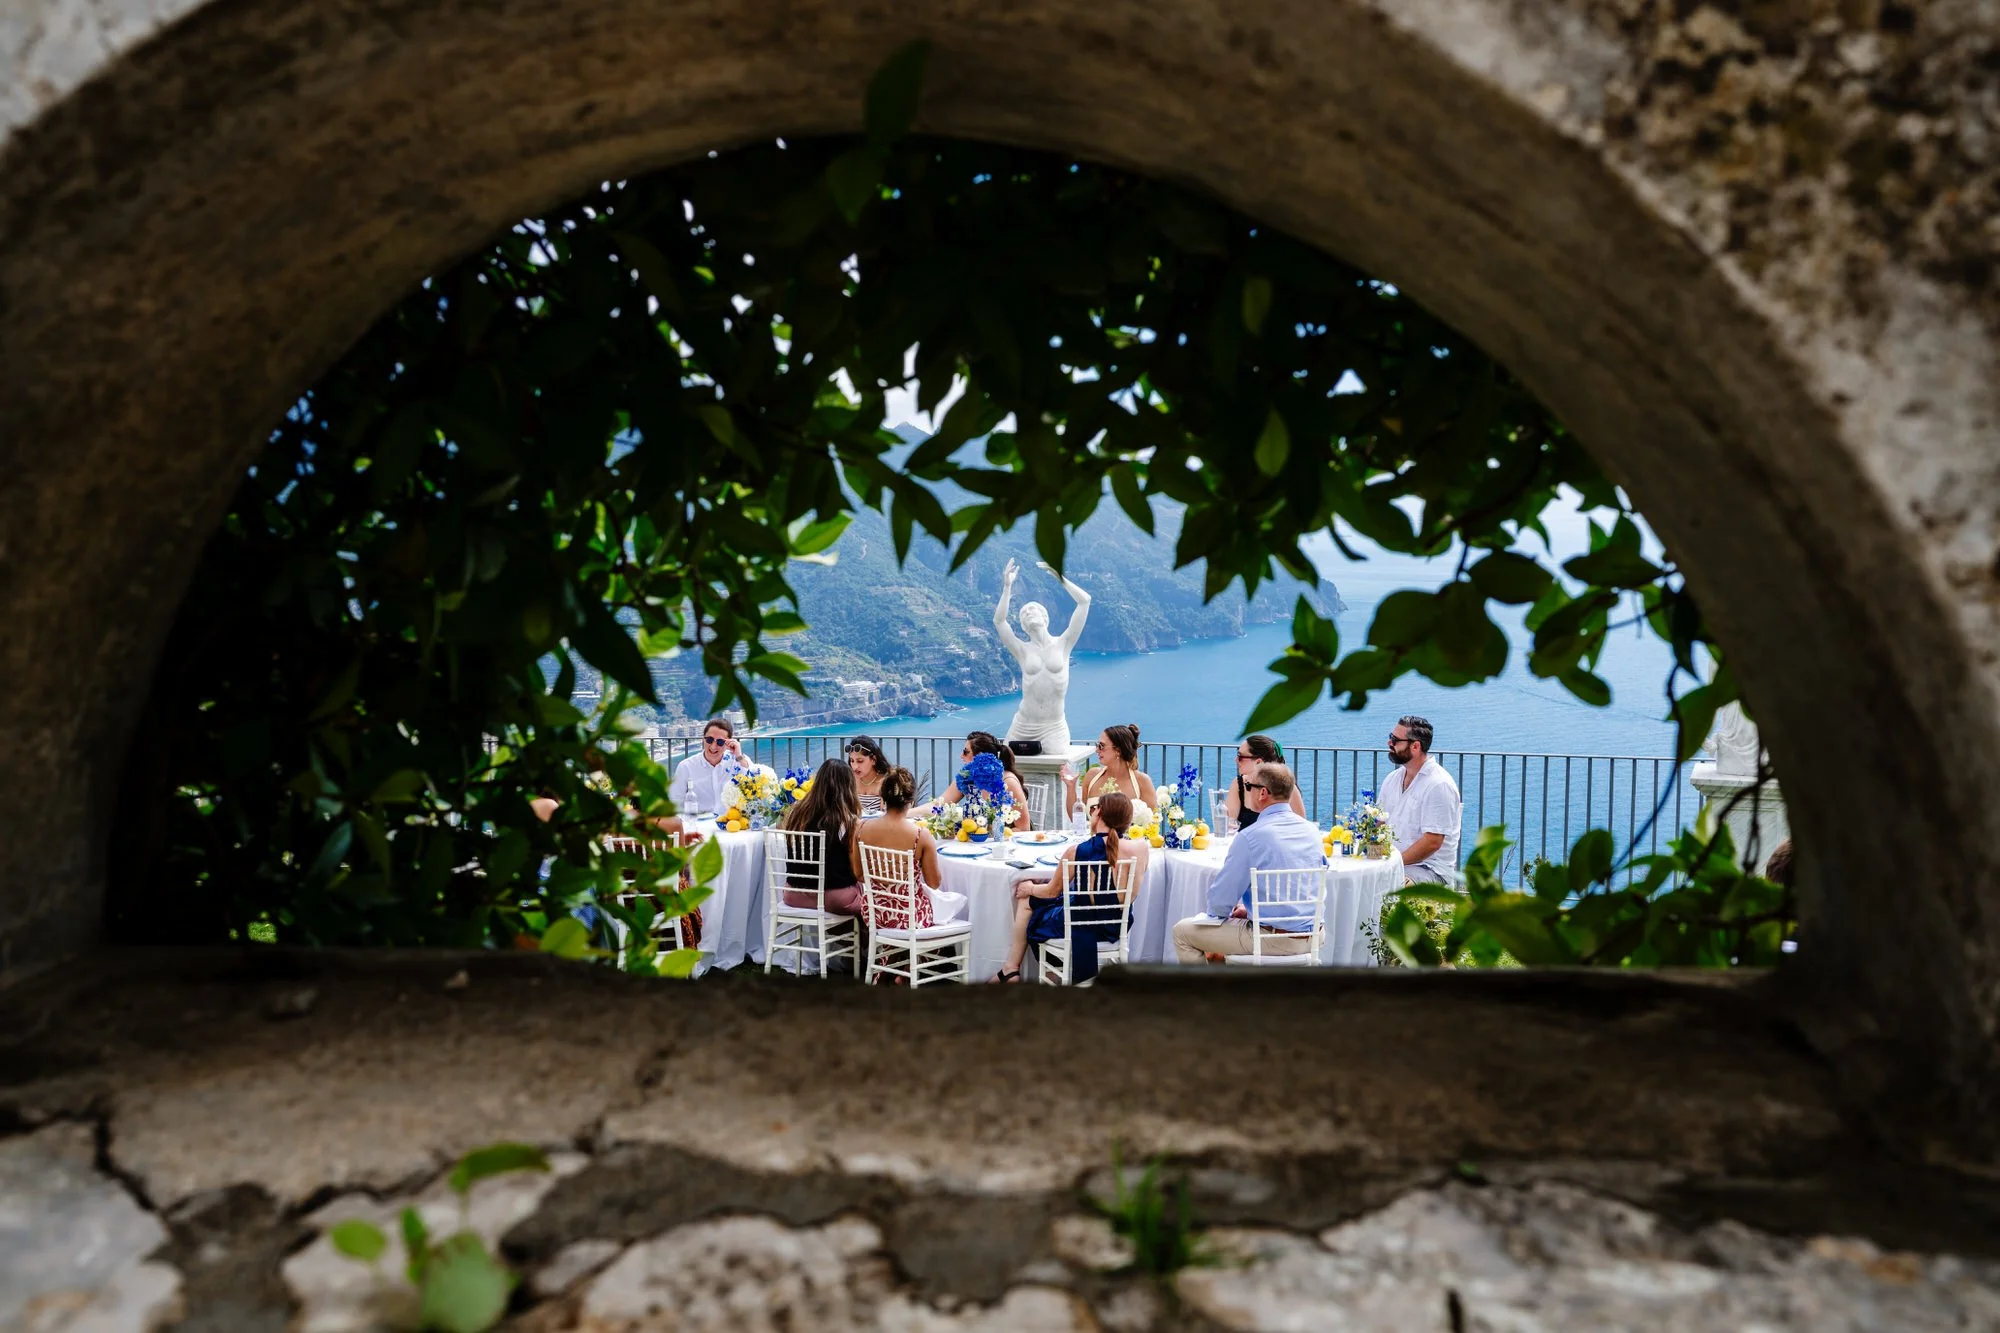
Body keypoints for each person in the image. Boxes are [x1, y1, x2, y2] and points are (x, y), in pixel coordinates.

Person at [1172, 763, 1324, 963]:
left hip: (1270, 939)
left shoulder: (1250, 837)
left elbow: (1219, 904)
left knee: (1182, 932)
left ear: (1262, 793)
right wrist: (1252, 910)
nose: (1246, 791)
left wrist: (1227, 913)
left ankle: (1208, 994)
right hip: (1314, 935)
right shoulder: (1312, 831)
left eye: (1249, 786)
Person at [992, 792, 1147, 983]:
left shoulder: (1077, 851)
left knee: (1029, 902)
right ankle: (1052, 972)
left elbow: (1051, 892)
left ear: (1098, 814)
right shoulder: (1141, 849)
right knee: (1063, 902)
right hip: (1116, 927)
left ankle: (1012, 970)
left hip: (1081, 925)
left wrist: (1030, 888)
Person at [851, 766, 950, 930]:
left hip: (875, 914)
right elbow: (934, 883)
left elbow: (859, 875)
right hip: (909, 917)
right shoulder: (921, 835)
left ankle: (892, 954)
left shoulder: (861, 829)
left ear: (883, 797)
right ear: (911, 800)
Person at [1376, 715, 1462, 883]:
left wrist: (1394, 863)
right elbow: (1379, 821)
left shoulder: (1438, 785)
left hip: (1430, 870)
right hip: (1398, 863)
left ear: (1415, 746)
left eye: (1395, 740)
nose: (1389, 743)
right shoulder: (1393, 779)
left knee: (1382, 885)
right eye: (1390, 737)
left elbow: (1432, 842)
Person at [779, 759, 866, 917]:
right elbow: (856, 870)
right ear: (848, 787)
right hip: (834, 898)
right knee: (872, 901)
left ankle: (842, 940)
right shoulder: (848, 821)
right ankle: (864, 942)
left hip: (793, 895)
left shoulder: (795, 813)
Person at [938, 731, 1032, 832]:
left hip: (1005, 843)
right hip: (977, 840)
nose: (961, 756)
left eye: (966, 752)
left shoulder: (1008, 781)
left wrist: (989, 835)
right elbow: (938, 804)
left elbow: (1024, 828)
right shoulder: (967, 777)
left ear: (980, 756)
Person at [669, 718, 754, 815]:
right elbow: (675, 801)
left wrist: (738, 755)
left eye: (720, 742)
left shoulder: (738, 761)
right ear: (703, 739)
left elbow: (753, 782)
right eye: (709, 740)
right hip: (698, 823)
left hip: (732, 823)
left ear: (728, 743)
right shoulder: (686, 767)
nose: (713, 746)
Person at [1223, 734, 1308, 829]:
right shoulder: (1238, 785)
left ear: (1258, 762)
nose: (1236, 760)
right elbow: (1228, 824)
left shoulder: (1287, 788)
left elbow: (1300, 826)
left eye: (1240, 756)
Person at [1079, 724, 1157, 815]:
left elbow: (1151, 822)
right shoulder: (1092, 776)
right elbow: (1076, 816)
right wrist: (1071, 786)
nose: (1097, 750)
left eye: (1101, 746)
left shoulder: (1142, 781)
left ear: (1118, 750)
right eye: (1097, 745)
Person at [845, 734, 890, 816]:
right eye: (852, 761)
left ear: (873, 760)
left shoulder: (885, 782)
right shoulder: (849, 780)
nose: (855, 767)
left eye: (860, 761)